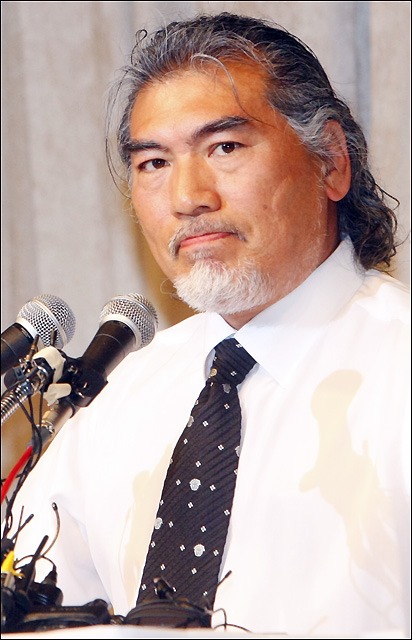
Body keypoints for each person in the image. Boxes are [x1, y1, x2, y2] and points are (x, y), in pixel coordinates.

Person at [2, 11, 410, 638]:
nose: (188, 197)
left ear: (330, 160)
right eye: (153, 163)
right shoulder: (119, 401)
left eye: (225, 148)